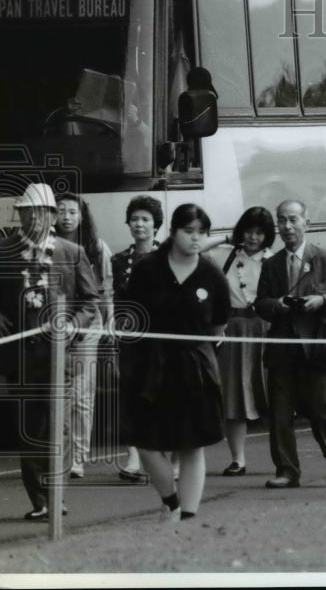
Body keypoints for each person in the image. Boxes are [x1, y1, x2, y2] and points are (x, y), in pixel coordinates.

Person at [119, 203, 229, 522]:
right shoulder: (147, 268)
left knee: (193, 444)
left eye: (202, 233)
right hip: (151, 363)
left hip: (196, 365)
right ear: (173, 232)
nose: (196, 238)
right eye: (188, 231)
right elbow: (132, 314)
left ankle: (189, 518)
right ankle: (171, 501)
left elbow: (220, 324)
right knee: (146, 442)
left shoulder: (211, 274)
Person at [0, 183, 100, 521]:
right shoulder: (6, 250)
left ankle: (57, 496)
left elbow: (90, 301)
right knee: (28, 427)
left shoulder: (72, 252)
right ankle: (40, 500)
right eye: (26, 213)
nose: (32, 219)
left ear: (52, 216)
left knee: (59, 427)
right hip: (20, 357)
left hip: (60, 356)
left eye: (40, 213)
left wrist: (73, 324)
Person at [254, 199, 326, 489]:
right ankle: (287, 470)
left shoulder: (323, 257)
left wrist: (321, 301)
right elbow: (260, 303)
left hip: (317, 346)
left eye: (293, 220)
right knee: (280, 413)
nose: (287, 226)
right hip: (282, 348)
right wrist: (278, 305)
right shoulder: (271, 264)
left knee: (320, 407)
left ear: (306, 223)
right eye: (282, 220)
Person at [205, 207, 275, 476]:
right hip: (233, 329)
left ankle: (284, 459)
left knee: (274, 393)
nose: (254, 237)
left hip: (267, 328)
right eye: (249, 230)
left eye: (260, 232)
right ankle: (238, 459)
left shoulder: (274, 260)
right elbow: (193, 249)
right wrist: (225, 238)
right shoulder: (226, 256)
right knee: (233, 396)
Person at [54, 192, 113, 480]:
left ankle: (77, 456)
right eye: (60, 210)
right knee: (57, 392)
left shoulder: (96, 248)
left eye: (72, 211)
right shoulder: (48, 247)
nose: (66, 216)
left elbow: (103, 291)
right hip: (54, 326)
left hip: (88, 326)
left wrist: (110, 322)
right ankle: (58, 454)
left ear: (82, 216)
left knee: (81, 394)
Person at [110, 195, 164, 482]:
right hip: (130, 339)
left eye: (145, 219)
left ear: (156, 224)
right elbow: (112, 299)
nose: (139, 224)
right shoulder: (118, 261)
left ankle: (163, 459)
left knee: (161, 396)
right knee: (130, 396)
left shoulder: (168, 258)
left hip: (161, 339)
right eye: (134, 219)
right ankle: (133, 459)